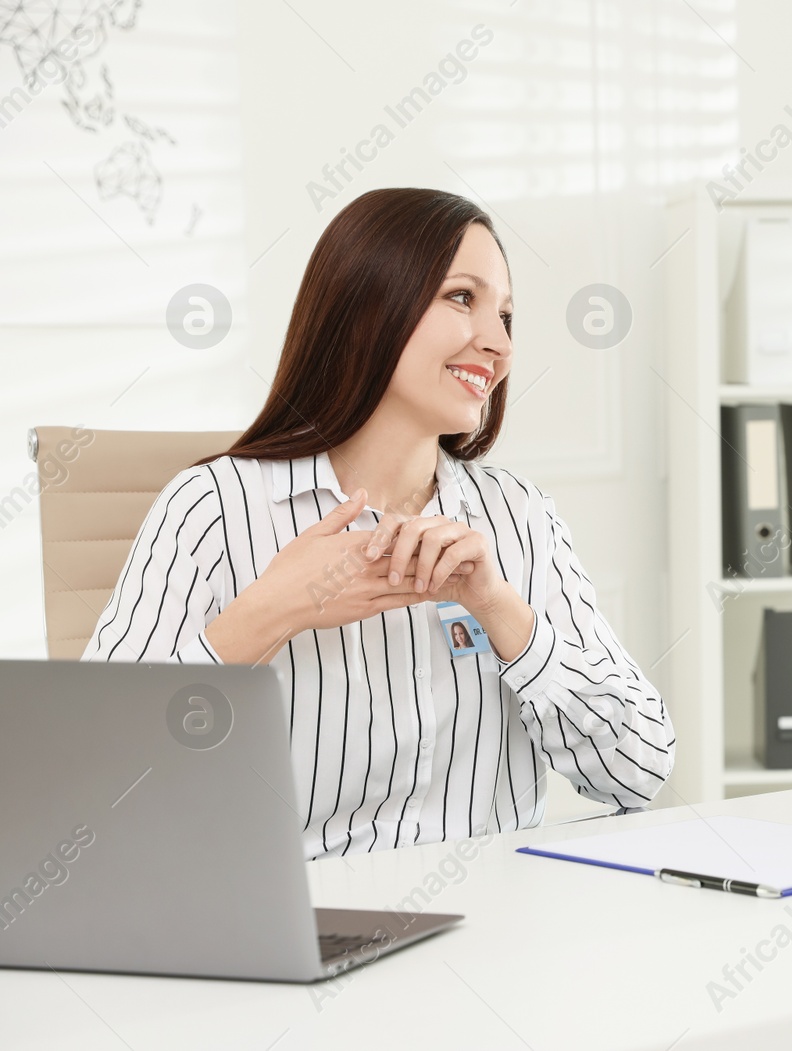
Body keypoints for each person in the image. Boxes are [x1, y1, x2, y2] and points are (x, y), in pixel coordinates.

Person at [82, 187, 675, 860]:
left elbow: (641, 769)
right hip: (298, 928)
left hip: (498, 930)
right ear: (368, 308)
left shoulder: (522, 518)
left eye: (507, 315)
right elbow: (103, 774)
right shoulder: (212, 509)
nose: (499, 343)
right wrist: (276, 608)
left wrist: (501, 611)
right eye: (462, 298)